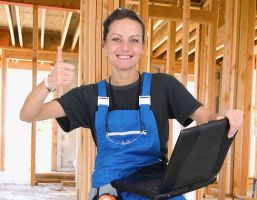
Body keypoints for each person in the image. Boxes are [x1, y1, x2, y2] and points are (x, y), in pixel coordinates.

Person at [20, 8, 243, 200]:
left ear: (143, 46)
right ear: (104, 46)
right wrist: (49, 82)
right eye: (116, 39)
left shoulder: (163, 86)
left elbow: (206, 117)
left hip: (157, 184)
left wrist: (224, 117)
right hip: (110, 187)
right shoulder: (87, 96)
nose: (125, 47)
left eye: (134, 40)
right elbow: (29, 114)